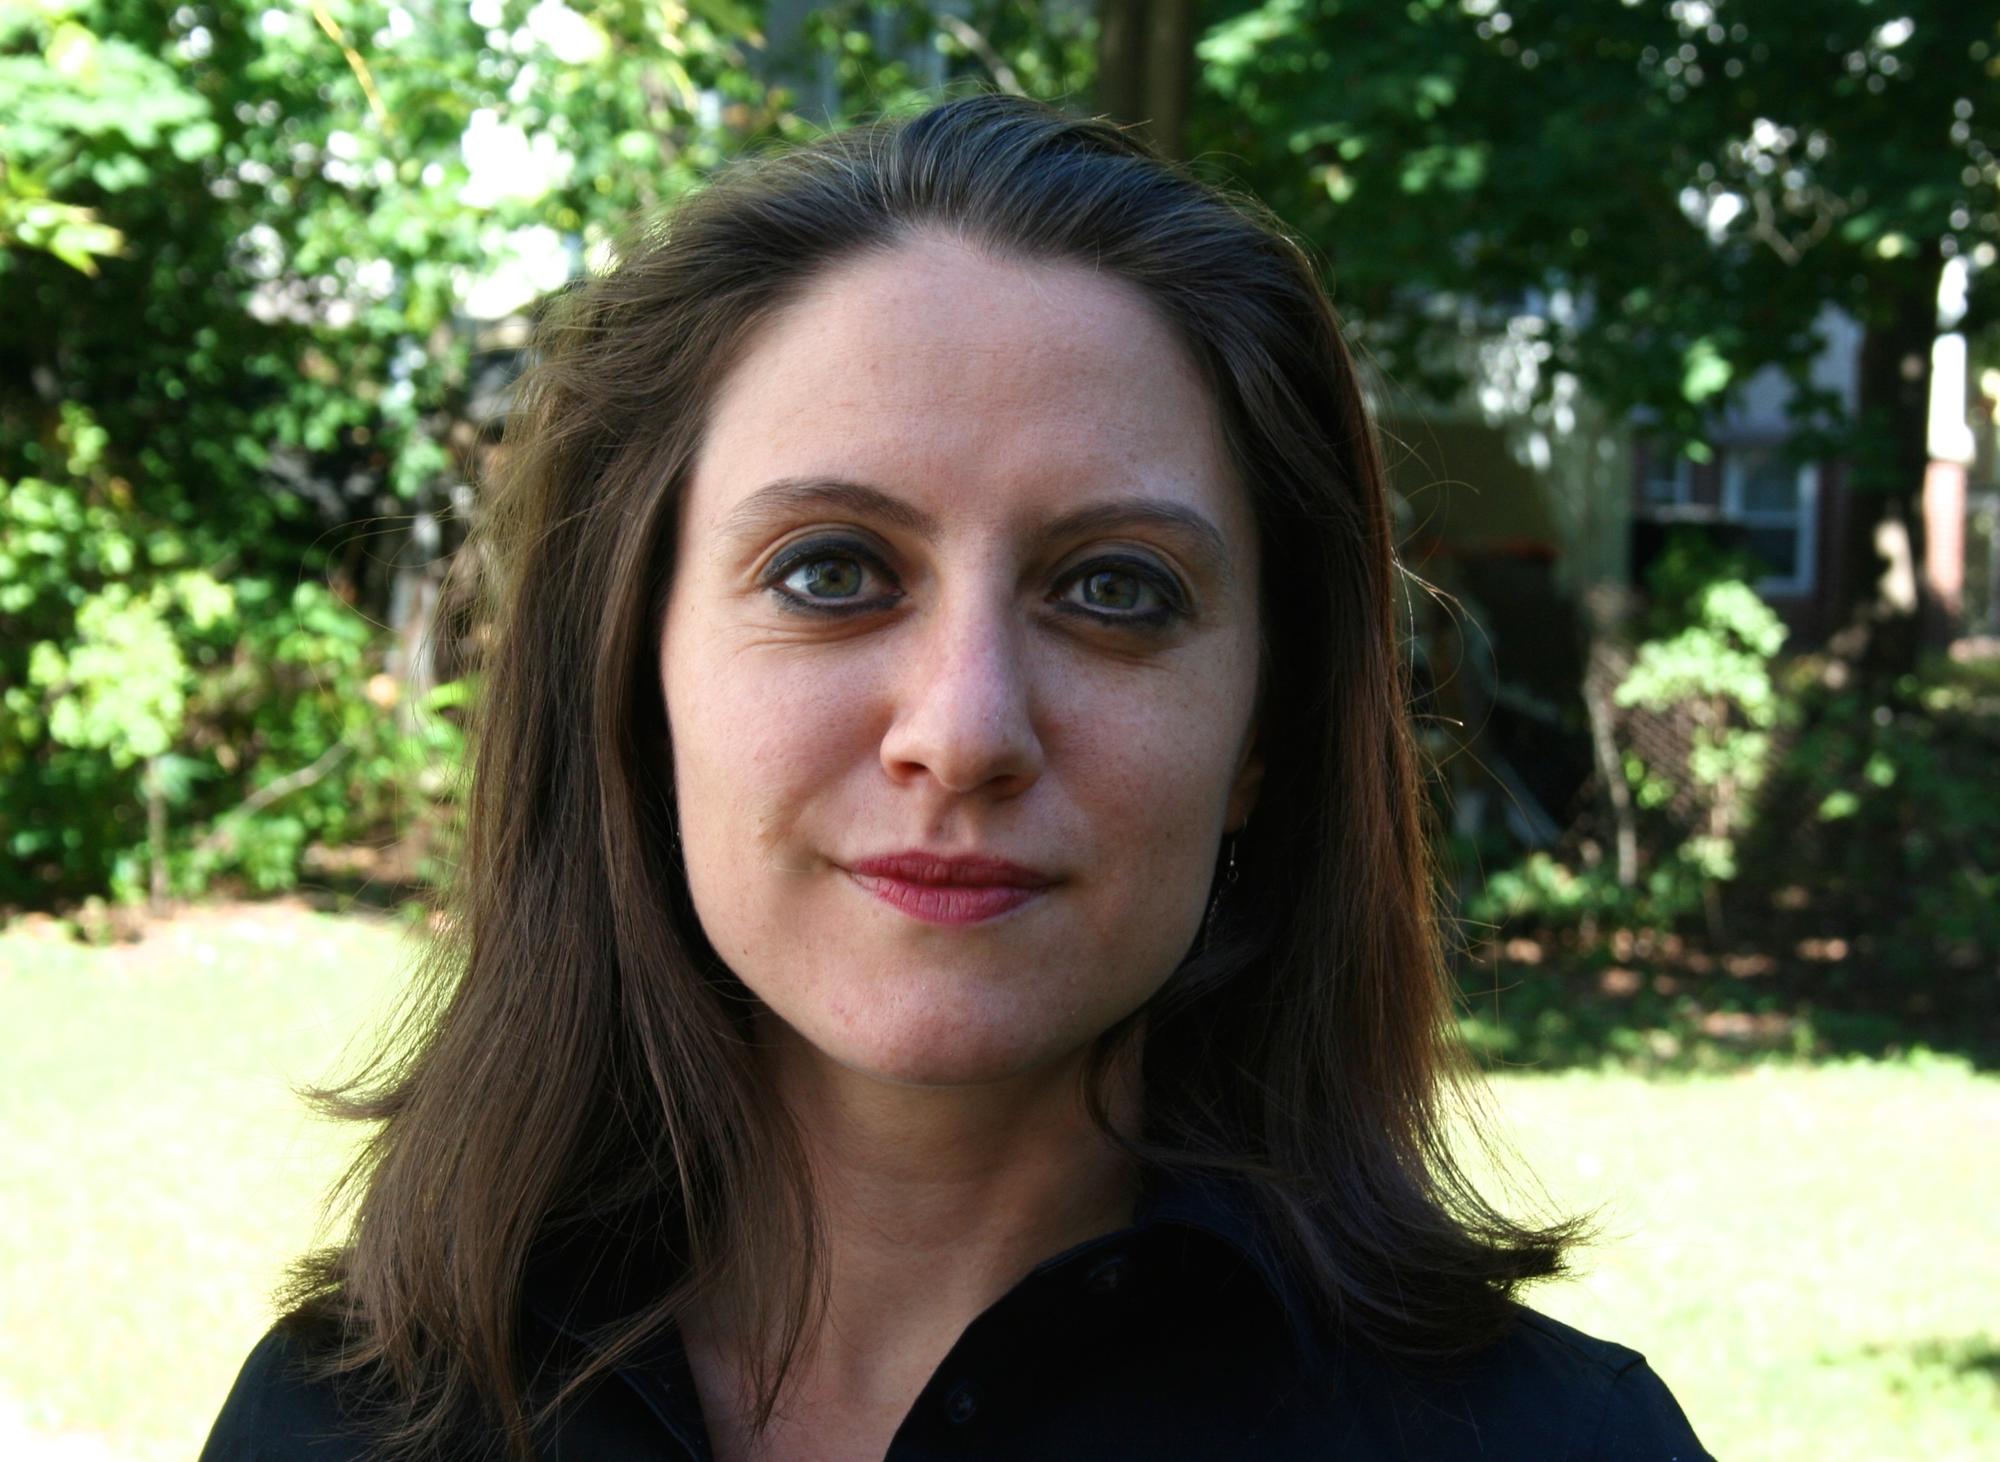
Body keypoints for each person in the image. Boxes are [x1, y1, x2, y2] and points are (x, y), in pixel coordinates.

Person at [201, 92, 1712, 1461]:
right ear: (632, 670)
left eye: (1114, 589)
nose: (967, 727)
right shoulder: (346, 1424)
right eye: (832, 570)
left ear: (1265, 729)